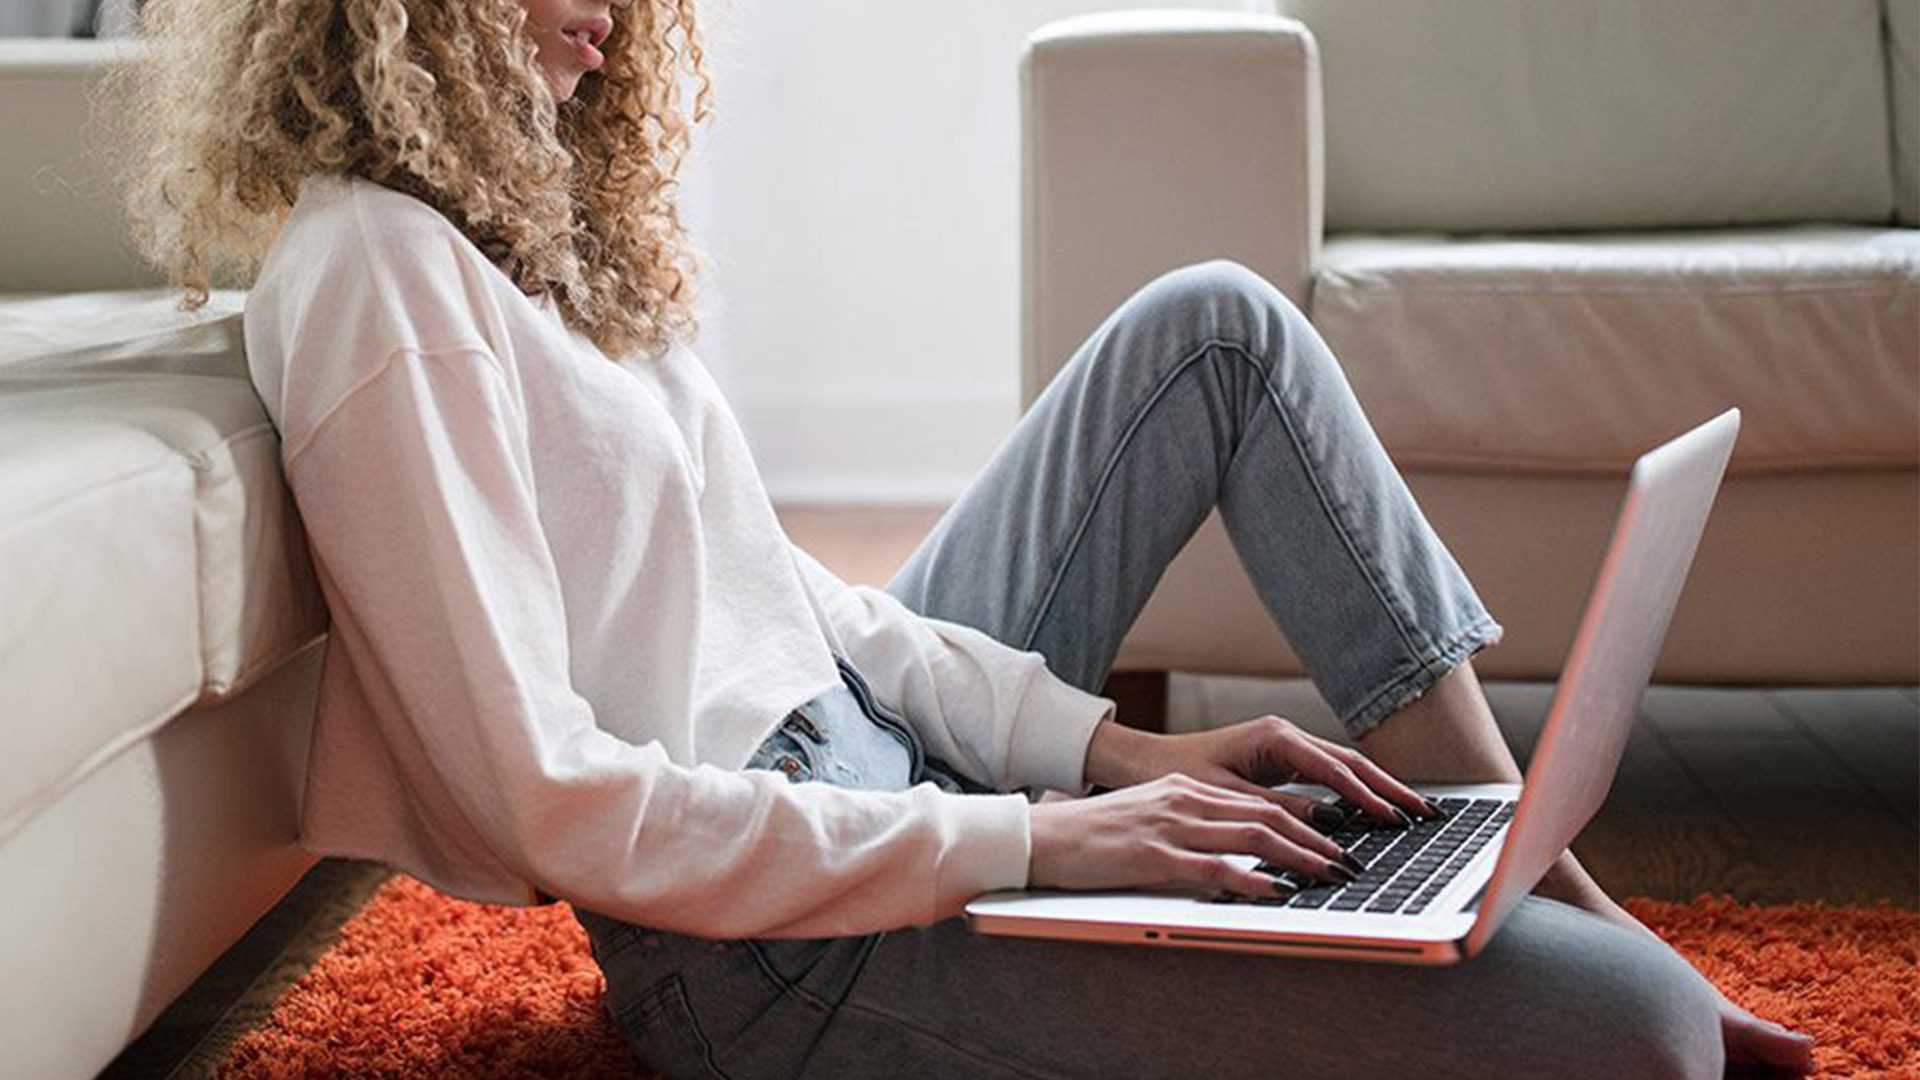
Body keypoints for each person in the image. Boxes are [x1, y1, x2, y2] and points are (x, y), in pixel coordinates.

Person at [106, 1, 1817, 1077]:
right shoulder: (372, 281)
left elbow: (791, 602)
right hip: (771, 954)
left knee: (1218, 328)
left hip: (881, 777)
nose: (616, 27)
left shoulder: (530, 239)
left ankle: (1515, 859)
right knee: (1637, 1040)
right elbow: (543, 796)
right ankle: (1565, 936)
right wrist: (1038, 841)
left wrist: (1105, 749)